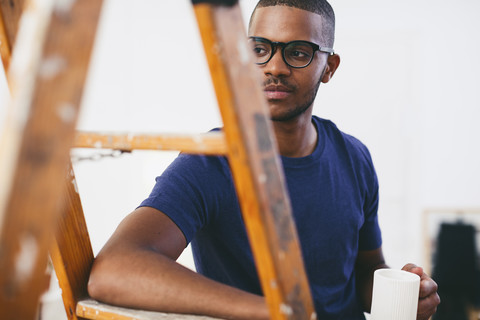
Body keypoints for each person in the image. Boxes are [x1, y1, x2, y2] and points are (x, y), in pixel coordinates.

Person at [88, 1, 440, 319]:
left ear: (329, 67)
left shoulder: (355, 157)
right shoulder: (211, 161)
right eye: (260, 49)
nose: (275, 67)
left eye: (298, 53)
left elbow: (367, 269)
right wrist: (277, 313)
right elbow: (113, 269)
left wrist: (407, 294)